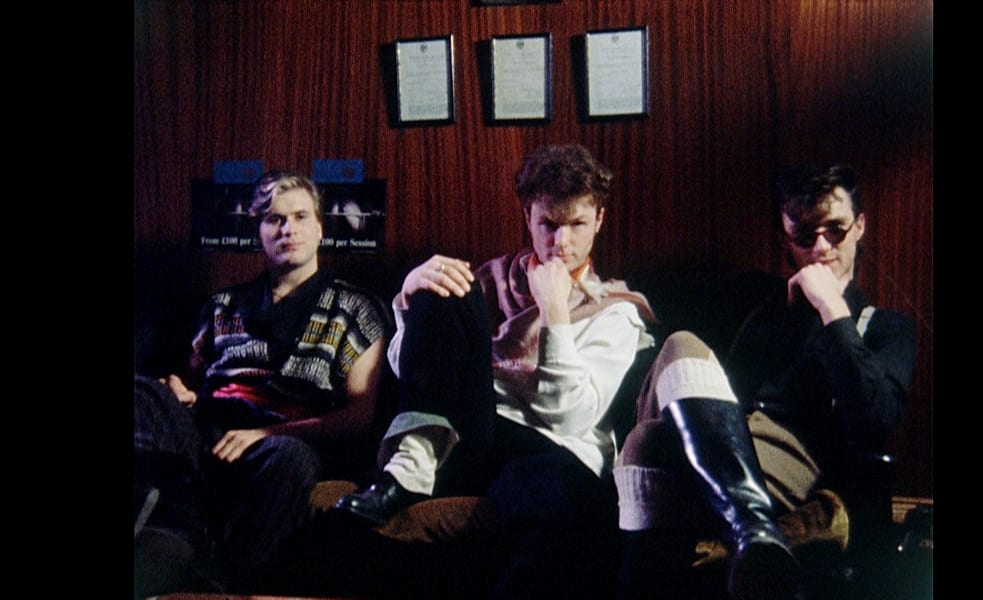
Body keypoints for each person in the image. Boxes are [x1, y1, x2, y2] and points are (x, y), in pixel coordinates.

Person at [327, 144, 657, 598]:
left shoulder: (616, 311)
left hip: (549, 448)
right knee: (443, 280)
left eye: (577, 224)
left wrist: (555, 311)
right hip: (468, 434)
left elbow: (568, 418)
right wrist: (409, 298)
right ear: (528, 217)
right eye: (549, 224)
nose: (561, 242)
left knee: (570, 506)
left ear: (599, 220)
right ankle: (409, 467)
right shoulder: (488, 282)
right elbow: (414, 374)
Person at [611, 163, 917, 600]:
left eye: (835, 231)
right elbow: (655, 298)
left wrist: (833, 310)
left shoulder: (885, 326)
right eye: (805, 236)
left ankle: (739, 536)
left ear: (860, 226)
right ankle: (755, 532)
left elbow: (876, 419)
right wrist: (590, 293)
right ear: (785, 240)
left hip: (793, 459)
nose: (822, 248)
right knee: (677, 349)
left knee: (644, 446)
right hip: (714, 438)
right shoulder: (756, 300)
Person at [133, 169, 390, 595]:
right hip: (209, 431)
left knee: (292, 459)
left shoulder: (355, 309)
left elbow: (360, 417)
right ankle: (172, 526)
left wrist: (264, 434)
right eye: (274, 219)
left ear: (320, 228)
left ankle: (222, 575)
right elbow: (190, 381)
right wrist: (177, 389)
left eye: (300, 217)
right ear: (259, 232)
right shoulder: (224, 305)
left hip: (281, 440)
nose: (288, 229)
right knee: (142, 392)